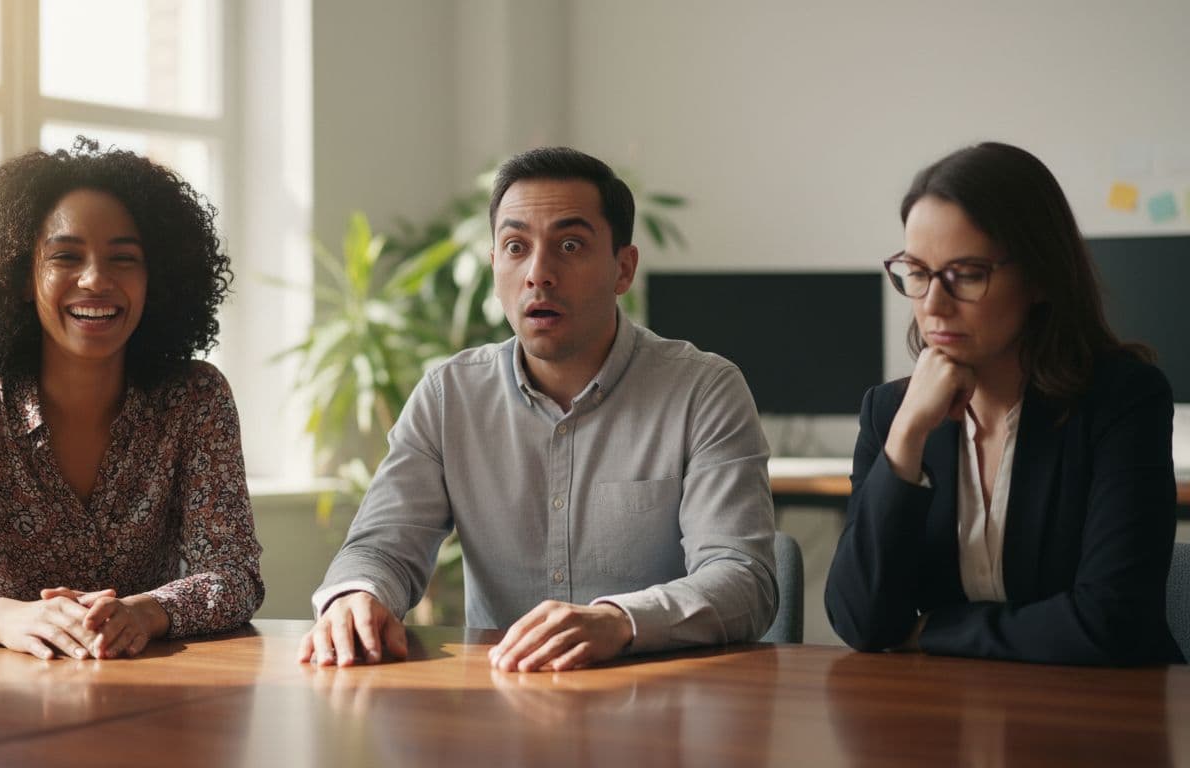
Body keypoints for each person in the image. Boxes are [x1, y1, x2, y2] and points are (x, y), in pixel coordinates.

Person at [298, 147, 776, 672]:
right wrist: (355, 596)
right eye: (516, 247)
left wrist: (620, 621)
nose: (538, 273)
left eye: (570, 245)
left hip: (655, 701)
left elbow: (742, 578)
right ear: (494, 264)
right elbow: (383, 547)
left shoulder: (704, 391)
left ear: (624, 268)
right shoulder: (448, 395)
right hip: (500, 701)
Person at [0, 137, 264, 660]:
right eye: (66, 256)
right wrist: (4, 616)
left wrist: (143, 612)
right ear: (23, 276)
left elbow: (234, 576)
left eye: (124, 258)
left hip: (152, 696)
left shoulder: (195, 399)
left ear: (154, 279)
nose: (95, 279)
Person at [824, 141, 1182, 665]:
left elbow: (1111, 620)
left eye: (966, 275)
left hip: (1100, 723)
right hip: (944, 726)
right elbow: (861, 621)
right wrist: (905, 440)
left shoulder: (1122, 400)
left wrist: (932, 630)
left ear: (1039, 277)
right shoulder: (891, 412)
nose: (932, 305)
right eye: (917, 273)